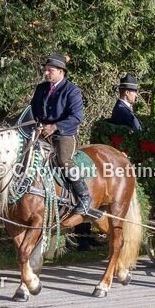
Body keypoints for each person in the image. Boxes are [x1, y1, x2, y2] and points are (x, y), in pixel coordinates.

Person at [30, 53, 98, 218]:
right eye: (46, 70)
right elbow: (32, 111)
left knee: (63, 161)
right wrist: (36, 125)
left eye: (50, 70)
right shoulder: (41, 89)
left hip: (63, 135)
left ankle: (83, 197)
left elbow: (76, 117)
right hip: (40, 133)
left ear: (61, 71)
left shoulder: (72, 91)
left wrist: (54, 126)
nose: (46, 73)